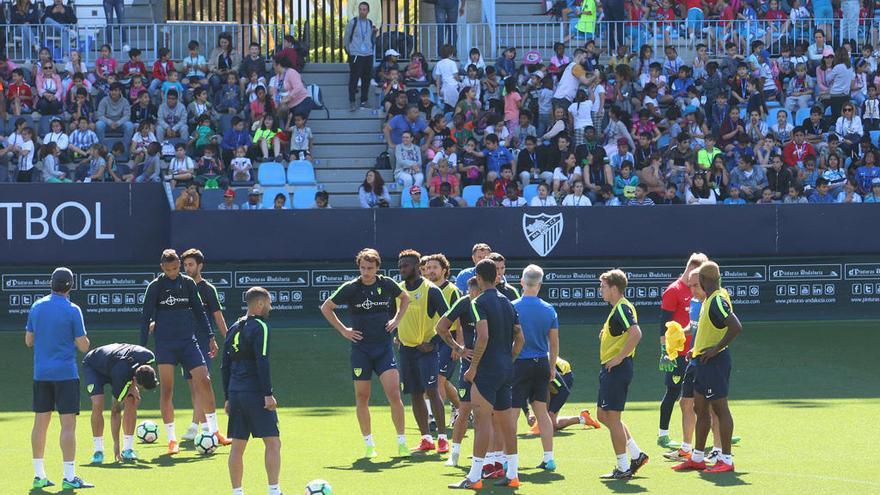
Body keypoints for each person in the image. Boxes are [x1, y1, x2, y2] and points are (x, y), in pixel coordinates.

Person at [320, 248, 411, 458]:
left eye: (370, 268)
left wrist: (396, 320)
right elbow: (326, 307)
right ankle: (369, 444)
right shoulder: (351, 287)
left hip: (384, 348)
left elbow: (405, 298)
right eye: (362, 268)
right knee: (362, 397)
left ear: (378, 267)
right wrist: (344, 330)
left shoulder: (386, 283)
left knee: (394, 394)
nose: (366, 272)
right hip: (361, 350)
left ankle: (402, 441)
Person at [447, 259, 524, 490]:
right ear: (496, 276)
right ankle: (512, 474)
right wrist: (508, 359)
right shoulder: (508, 302)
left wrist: (472, 367)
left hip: (486, 371)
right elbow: (520, 338)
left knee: (482, 424)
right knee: (506, 423)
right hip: (505, 370)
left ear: (478, 278)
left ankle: (474, 477)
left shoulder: (477, 301)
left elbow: (483, 336)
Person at [140, 249, 219, 455]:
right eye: (168, 269)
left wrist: (210, 336)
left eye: (176, 268)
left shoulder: (188, 283)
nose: (173, 272)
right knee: (167, 390)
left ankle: (214, 431)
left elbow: (200, 312)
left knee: (205, 380)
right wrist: (141, 349)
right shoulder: (155, 287)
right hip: (165, 345)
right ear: (162, 268)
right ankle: (172, 439)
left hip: (188, 342)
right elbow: (145, 318)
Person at [672, 261, 743, 473]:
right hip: (702, 362)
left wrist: (716, 349)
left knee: (720, 410)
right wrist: (696, 352)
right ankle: (697, 458)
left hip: (715, 363)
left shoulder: (717, 300)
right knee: (699, 409)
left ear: (703, 280)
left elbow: (736, 326)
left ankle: (727, 460)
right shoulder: (710, 299)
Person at [26, 267, 92, 490]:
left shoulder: (37, 307)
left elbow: (28, 340)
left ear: (50, 283)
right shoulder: (73, 310)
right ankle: (69, 476)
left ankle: (39, 475)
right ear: (70, 286)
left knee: (40, 424)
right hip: (65, 375)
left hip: (41, 374)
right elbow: (83, 346)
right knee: (68, 426)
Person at [223, 287, 284, 495]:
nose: (270, 307)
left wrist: (227, 398)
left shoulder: (233, 327)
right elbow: (262, 361)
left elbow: (225, 365)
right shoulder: (261, 327)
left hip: (235, 393)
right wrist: (268, 393)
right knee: (273, 442)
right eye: (268, 303)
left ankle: (237, 492)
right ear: (259, 304)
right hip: (255, 393)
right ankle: (274, 491)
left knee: (237, 446)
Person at [396, 250, 451, 452]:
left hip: (427, 351)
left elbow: (449, 318)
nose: (402, 269)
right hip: (406, 351)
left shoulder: (431, 290)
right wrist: (396, 331)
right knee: (415, 394)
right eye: (400, 265)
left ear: (418, 267)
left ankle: (443, 438)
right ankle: (426, 438)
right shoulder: (398, 290)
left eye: (406, 265)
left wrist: (434, 341)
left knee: (432, 391)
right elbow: (392, 315)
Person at [596, 269, 648, 480]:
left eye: (603, 287)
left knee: (613, 418)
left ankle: (624, 466)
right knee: (602, 415)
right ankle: (636, 455)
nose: (600, 290)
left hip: (617, 369)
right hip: (611, 369)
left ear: (614, 288)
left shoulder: (622, 308)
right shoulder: (618, 308)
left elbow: (636, 333)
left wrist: (620, 357)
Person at [656, 254, 708, 451]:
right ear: (688, 268)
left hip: (695, 353)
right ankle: (663, 435)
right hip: (677, 353)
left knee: (701, 395)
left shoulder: (701, 294)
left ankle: (715, 434)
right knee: (673, 392)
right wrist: (664, 351)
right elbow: (663, 325)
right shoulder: (673, 291)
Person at [180, 249, 232, 446]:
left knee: (202, 382)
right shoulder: (181, 287)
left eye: (191, 264)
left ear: (200, 266)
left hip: (202, 342)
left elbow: (218, 317)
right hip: (184, 342)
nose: (187, 268)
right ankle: (200, 426)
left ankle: (200, 427)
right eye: (185, 265)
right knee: (193, 386)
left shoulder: (208, 289)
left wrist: (228, 339)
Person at [510, 265, 559, 471]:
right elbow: (554, 343)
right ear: (540, 284)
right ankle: (549, 458)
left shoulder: (512, 306)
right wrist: (552, 367)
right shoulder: (548, 309)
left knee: (511, 414)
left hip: (519, 364)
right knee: (542, 412)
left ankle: (508, 459)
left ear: (522, 282)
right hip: (541, 363)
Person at [82, 344, 158, 463]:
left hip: (116, 363)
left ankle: (128, 449)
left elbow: (133, 366)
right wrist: (116, 446)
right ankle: (98, 450)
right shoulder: (121, 377)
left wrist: (133, 386)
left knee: (132, 399)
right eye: (141, 388)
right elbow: (115, 412)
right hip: (95, 365)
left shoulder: (149, 357)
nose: (141, 390)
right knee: (98, 402)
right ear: (136, 379)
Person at [435, 276, 480, 467]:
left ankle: (490, 454)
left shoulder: (496, 302)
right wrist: (459, 347)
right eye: (471, 292)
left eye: (476, 292)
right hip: (468, 365)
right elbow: (441, 327)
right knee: (465, 409)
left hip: (490, 366)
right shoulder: (463, 303)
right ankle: (454, 454)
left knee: (489, 412)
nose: (473, 296)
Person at [422, 253, 463, 427]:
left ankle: (434, 419)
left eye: (435, 267)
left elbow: (459, 320)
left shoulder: (452, 290)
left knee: (438, 379)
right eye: (428, 268)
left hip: (448, 339)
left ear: (444, 270)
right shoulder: (424, 289)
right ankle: (461, 408)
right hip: (430, 338)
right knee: (433, 379)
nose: (431, 270)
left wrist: (458, 346)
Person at [344, 2, 376, 111]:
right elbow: (347, 38)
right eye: (361, 9)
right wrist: (351, 52)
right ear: (358, 10)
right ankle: (352, 101)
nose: (362, 11)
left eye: (364, 9)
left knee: (366, 79)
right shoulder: (353, 22)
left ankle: (364, 100)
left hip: (368, 55)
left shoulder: (370, 23)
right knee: (354, 78)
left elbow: (370, 38)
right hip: (356, 55)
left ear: (368, 11)